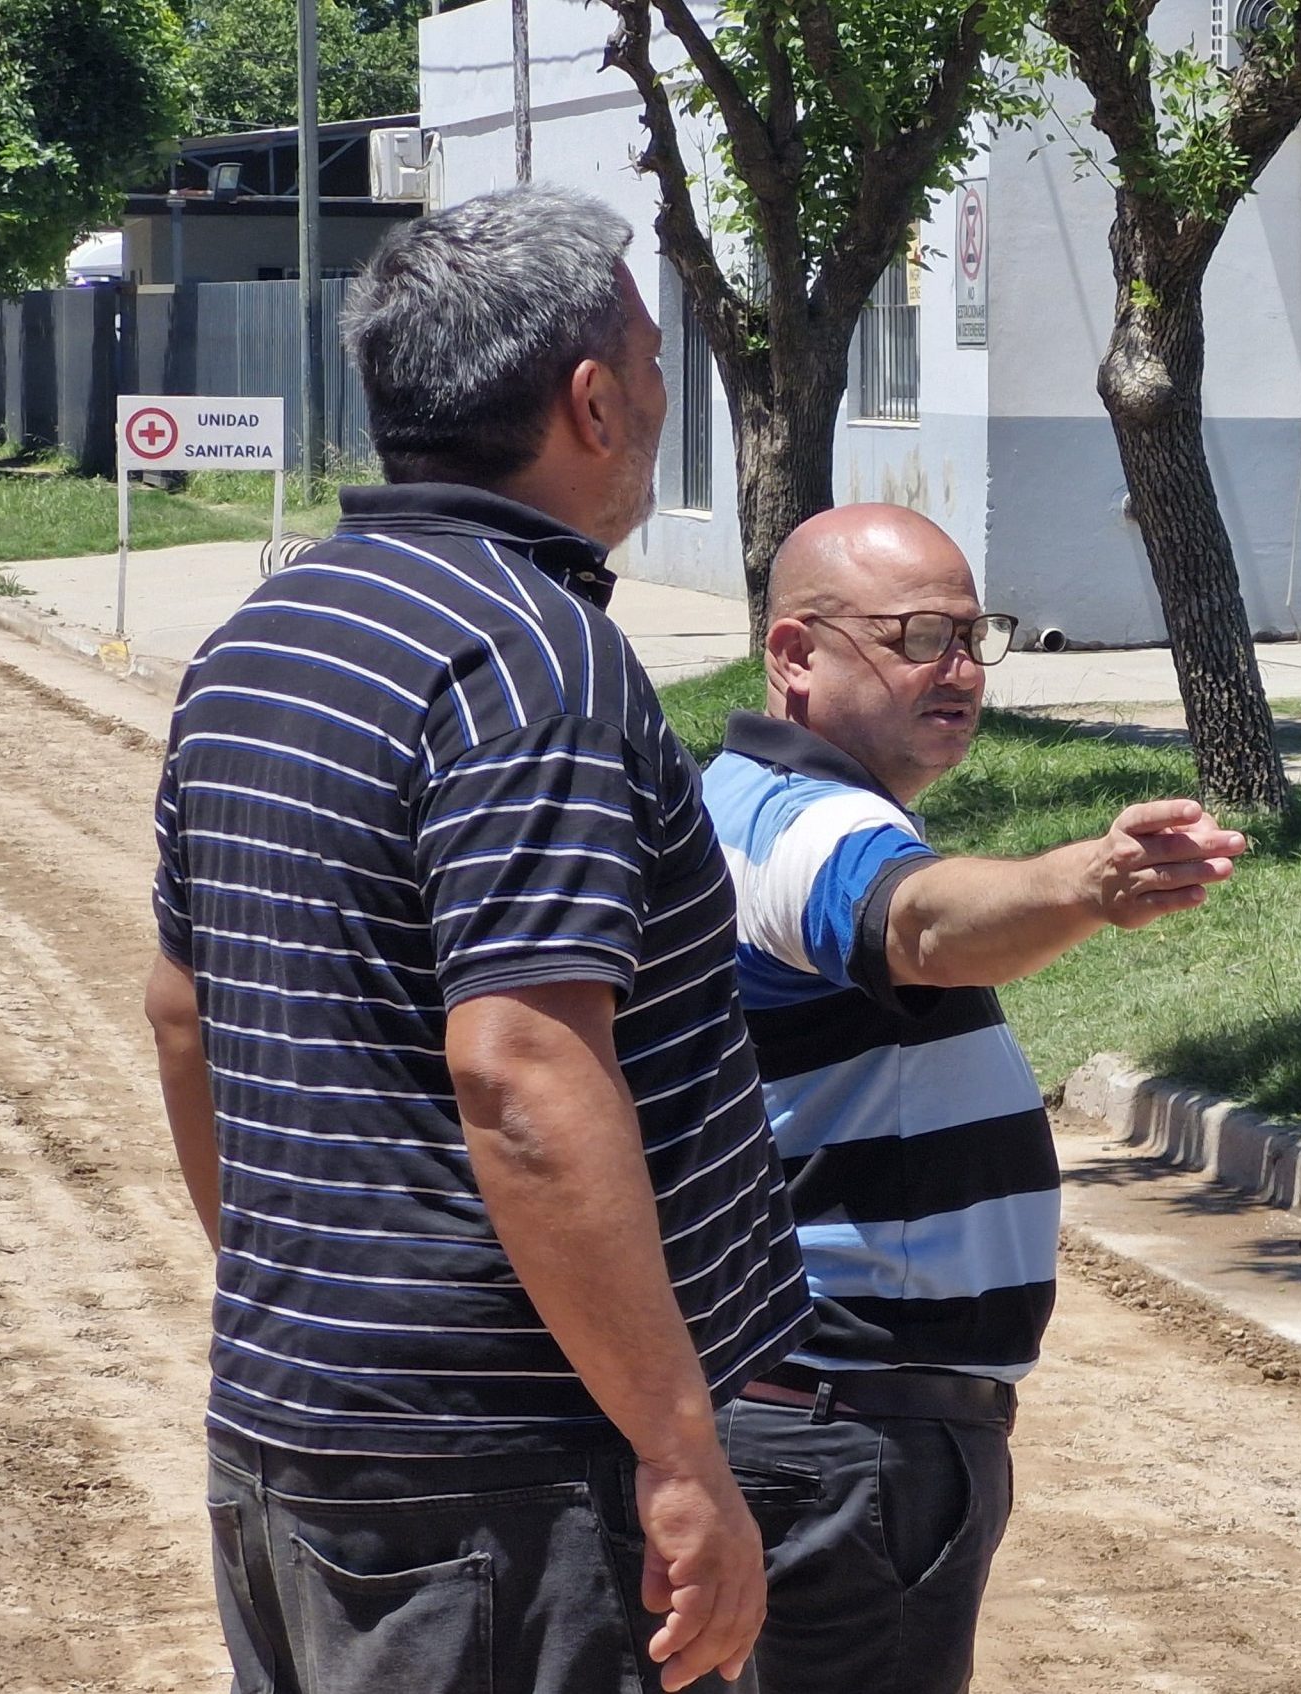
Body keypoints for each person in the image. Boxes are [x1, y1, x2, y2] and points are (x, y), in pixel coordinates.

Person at [143, 186, 814, 1694]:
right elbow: (519, 1069)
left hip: (296, 1428)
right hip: (506, 1481)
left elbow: (184, 1013)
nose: (662, 395)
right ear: (592, 400)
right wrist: (679, 1450)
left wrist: (321, 1311)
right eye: (651, 359)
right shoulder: (529, 661)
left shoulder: (266, 633)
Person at [699, 503, 1246, 1694]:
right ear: (794, 654)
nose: (956, 668)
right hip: (845, 1432)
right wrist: (1088, 880)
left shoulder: (749, 800)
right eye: (914, 636)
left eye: (969, 634)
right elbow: (922, 924)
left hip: (809, 1416)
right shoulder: (802, 824)